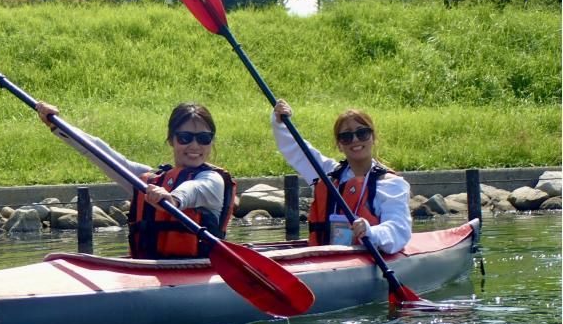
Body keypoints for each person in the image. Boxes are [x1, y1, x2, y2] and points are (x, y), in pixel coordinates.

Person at [36, 101, 236, 259]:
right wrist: (57, 125)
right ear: (171, 139)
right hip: (148, 268)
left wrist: (172, 199)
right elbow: (99, 153)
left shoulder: (213, 181)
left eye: (203, 138)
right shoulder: (150, 181)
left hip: (197, 269)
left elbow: (192, 190)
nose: (194, 145)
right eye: (185, 137)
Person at [272, 100, 411, 254]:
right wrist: (280, 121)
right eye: (346, 136)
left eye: (362, 133)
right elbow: (297, 150)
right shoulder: (328, 175)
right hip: (326, 256)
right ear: (339, 144)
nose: (355, 140)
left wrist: (370, 231)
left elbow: (398, 230)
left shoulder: (391, 184)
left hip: (367, 255)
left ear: (373, 137)